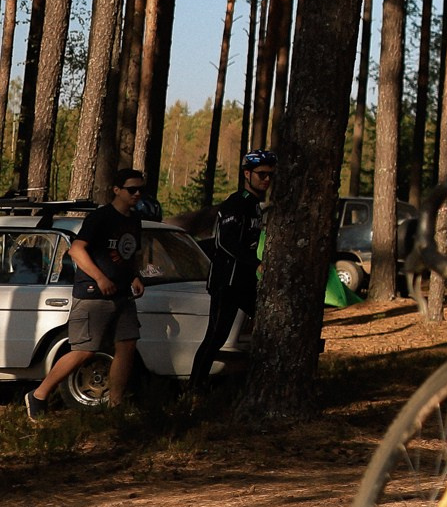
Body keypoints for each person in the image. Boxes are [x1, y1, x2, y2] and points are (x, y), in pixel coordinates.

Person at [24, 169, 152, 416]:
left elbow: (129, 253)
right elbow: (77, 251)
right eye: (132, 189)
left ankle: (116, 405)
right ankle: (38, 394)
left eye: (141, 190)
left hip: (123, 295)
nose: (137, 194)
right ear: (117, 190)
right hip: (93, 296)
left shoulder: (134, 220)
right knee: (84, 350)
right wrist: (100, 278)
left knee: (127, 345)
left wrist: (135, 276)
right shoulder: (101, 218)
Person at [173, 150, 274, 390]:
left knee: (269, 323)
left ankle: (254, 381)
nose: (266, 180)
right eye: (261, 174)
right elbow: (225, 242)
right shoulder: (236, 204)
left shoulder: (255, 206)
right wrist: (255, 262)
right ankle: (194, 389)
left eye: (271, 175)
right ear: (247, 174)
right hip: (226, 282)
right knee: (216, 336)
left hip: (245, 280)